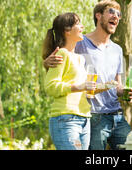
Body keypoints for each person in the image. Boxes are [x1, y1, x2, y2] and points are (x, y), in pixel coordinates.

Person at [43, 0, 132, 150]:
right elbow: (59, 60)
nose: (116, 17)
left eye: (119, 14)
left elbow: (116, 84)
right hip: (92, 115)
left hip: (115, 114)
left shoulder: (117, 49)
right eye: (111, 12)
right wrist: (47, 62)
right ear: (98, 15)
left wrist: (122, 91)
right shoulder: (80, 41)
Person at [42, 13, 97, 150]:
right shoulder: (61, 54)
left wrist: (94, 88)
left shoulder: (80, 58)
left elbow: (80, 87)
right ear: (67, 30)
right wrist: (79, 87)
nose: (82, 26)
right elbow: (51, 86)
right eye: (78, 24)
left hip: (84, 119)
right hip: (66, 120)